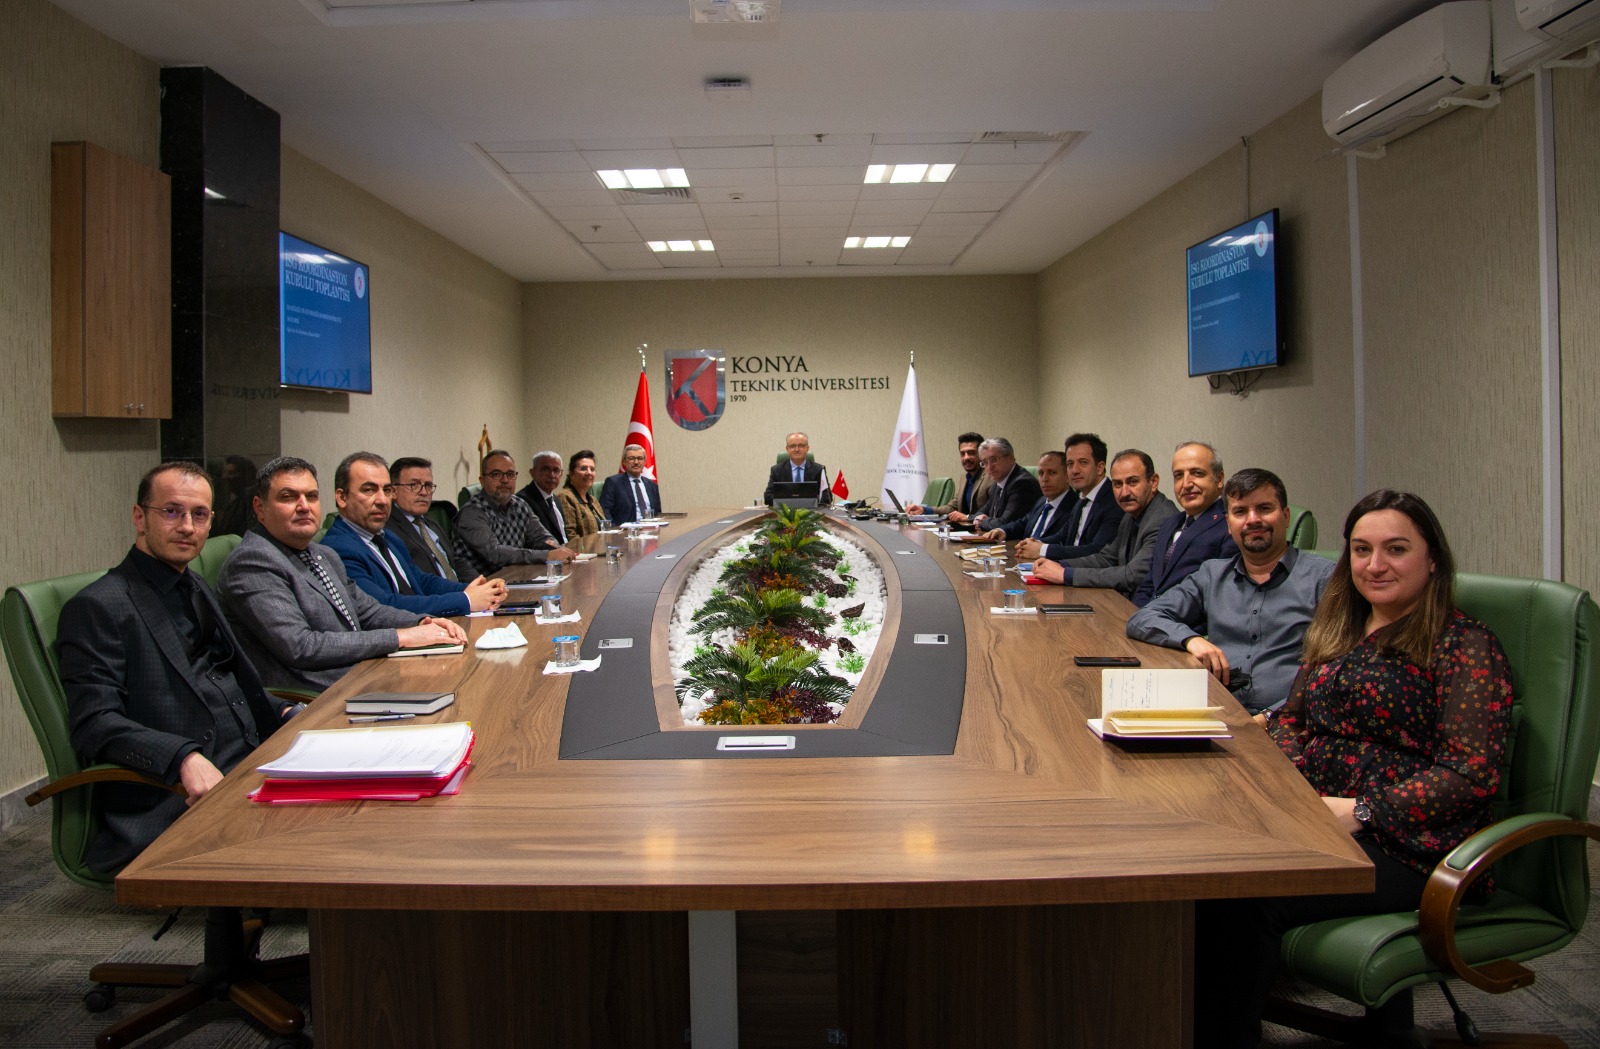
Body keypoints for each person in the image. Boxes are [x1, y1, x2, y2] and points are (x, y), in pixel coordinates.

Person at [1195, 490, 1513, 1049]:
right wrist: (1289, 778)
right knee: (1201, 859)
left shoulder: (1464, 644)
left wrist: (1364, 811)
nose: (1375, 565)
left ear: (1432, 559)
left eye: (1396, 549)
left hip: (1414, 844)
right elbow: (1294, 719)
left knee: (1246, 895)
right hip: (1319, 818)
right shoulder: (1340, 629)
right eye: (1362, 550)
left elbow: (1470, 773)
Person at [59, 461, 299, 874]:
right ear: (140, 518)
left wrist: (285, 710)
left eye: (199, 514)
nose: (187, 526)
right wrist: (183, 758)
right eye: (171, 511)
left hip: (251, 763)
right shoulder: (99, 606)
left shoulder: (194, 584)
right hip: (179, 795)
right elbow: (94, 722)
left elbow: (223, 677)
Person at [218, 456, 467, 691]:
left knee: (461, 679)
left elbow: (368, 611)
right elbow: (302, 647)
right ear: (260, 508)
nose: (304, 506)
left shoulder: (322, 554)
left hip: (361, 675)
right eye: (288, 497)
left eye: (311, 496)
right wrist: (401, 637)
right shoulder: (252, 561)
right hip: (318, 697)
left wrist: (422, 622)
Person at [1125, 468, 1335, 716]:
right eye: (1240, 512)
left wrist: (1271, 717)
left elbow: (1334, 669)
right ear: (1228, 523)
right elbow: (1143, 618)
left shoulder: (1324, 578)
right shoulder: (1212, 575)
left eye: (1264, 508)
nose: (1252, 520)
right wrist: (1191, 640)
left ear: (1286, 516)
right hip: (1218, 713)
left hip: (1290, 722)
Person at [322, 451, 506, 617]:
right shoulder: (337, 549)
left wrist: (474, 590)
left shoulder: (386, 536)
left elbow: (421, 580)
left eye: (386, 490)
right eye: (368, 490)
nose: (382, 500)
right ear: (342, 497)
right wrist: (465, 600)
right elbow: (383, 606)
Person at [1031, 449, 1177, 597]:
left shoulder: (1162, 519)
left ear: (1153, 482)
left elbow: (1133, 576)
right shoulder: (1131, 513)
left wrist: (1065, 574)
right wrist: (1060, 564)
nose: (1125, 492)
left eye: (1133, 482)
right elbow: (1106, 558)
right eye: (1117, 484)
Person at [1130, 441, 1239, 608]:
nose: (1186, 484)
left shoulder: (1229, 525)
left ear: (1219, 479)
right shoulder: (1169, 523)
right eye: (1179, 475)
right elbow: (1149, 583)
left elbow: (1215, 596)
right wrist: (1135, 614)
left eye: (1197, 473)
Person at [453, 449, 576, 575]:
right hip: (483, 582)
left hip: (514, 577)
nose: (505, 480)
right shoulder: (472, 512)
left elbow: (541, 537)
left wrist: (556, 549)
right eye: (496, 474)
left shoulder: (520, 505)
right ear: (482, 480)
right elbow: (494, 553)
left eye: (510, 474)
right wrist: (547, 555)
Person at [1017, 432, 1118, 562]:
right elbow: (1062, 536)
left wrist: (1043, 550)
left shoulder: (1114, 499)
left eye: (1083, 462)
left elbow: (1098, 551)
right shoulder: (1082, 499)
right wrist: (1033, 544)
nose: (1074, 470)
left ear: (1099, 468)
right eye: (1070, 464)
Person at [384, 455, 461, 580]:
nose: (424, 492)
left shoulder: (431, 524)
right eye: (414, 485)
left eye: (428, 485)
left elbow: (456, 562)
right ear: (393, 491)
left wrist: (480, 583)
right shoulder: (388, 530)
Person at [977, 452, 1075, 546]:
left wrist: (1034, 546)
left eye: (1052, 472)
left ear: (1067, 476)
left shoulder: (1074, 506)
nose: (1045, 479)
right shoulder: (1041, 501)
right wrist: (1002, 531)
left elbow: (1062, 540)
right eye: (1041, 473)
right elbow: (1023, 524)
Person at [908, 431, 991, 520]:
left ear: (982, 454)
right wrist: (924, 510)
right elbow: (952, 507)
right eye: (962, 454)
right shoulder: (964, 478)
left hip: (981, 527)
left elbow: (992, 512)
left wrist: (968, 517)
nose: (966, 457)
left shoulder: (991, 477)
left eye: (971, 453)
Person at [966, 438, 1043, 532]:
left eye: (994, 459)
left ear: (1010, 459)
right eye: (985, 462)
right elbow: (981, 512)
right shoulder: (998, 482)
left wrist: (982, 522)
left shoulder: (1022, 483)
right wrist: (979, 518)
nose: (989, 467)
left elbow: (1004, 524)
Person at [763, 431, 831, 506]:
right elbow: (768, 497)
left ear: (807, 448)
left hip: (811, 511)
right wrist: (791, 504)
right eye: (792, 446)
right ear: (787, 449)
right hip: (785, 511)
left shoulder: (819, 470)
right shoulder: (777, 471)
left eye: (801, 446)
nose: (797, 449)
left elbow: (827, 497)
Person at [515, 450, 570, 543]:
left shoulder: (556, 500)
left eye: (556, 470)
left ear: (561, 474)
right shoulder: (523, 501)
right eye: (546, 469)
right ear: (532, 473)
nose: (552, 475)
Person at [600, 444, 662, 524]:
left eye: (640, 458)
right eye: (631, 458)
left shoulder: (652, 485)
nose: (636, 462)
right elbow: (605, 510)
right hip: (625, 530)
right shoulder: (613, 482)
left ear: (645, 462)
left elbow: (658, 513)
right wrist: (613, 529)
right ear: (624, 462)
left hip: (651, 528)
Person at [556, 449, 606, 539]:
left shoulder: (593, 500)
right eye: (583, 469)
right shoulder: (565, 497)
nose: (589, 473)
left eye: (592, 469)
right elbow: (570, 535)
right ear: (571, 474)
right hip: (582, 548)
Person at [211, 454, 258, 537]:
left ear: (243, 475)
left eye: (231, 473)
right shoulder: (235, 502)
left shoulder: (250, 501)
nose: (225, 477)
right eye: (225, 473)